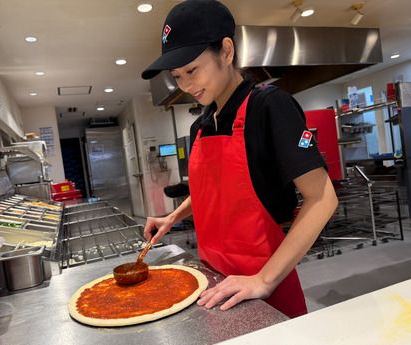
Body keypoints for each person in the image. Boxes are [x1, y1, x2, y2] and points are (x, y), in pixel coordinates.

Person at [141, 0, 338, 318]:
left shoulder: (269, 107)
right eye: (177, 76)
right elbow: (214, 190)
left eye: (192, 70)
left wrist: (263, 280)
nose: (186, 85)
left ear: (227, 51)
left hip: (264, 289)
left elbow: (323, 199)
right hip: (215, 284)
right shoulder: (201, 126)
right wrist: (173, 217)